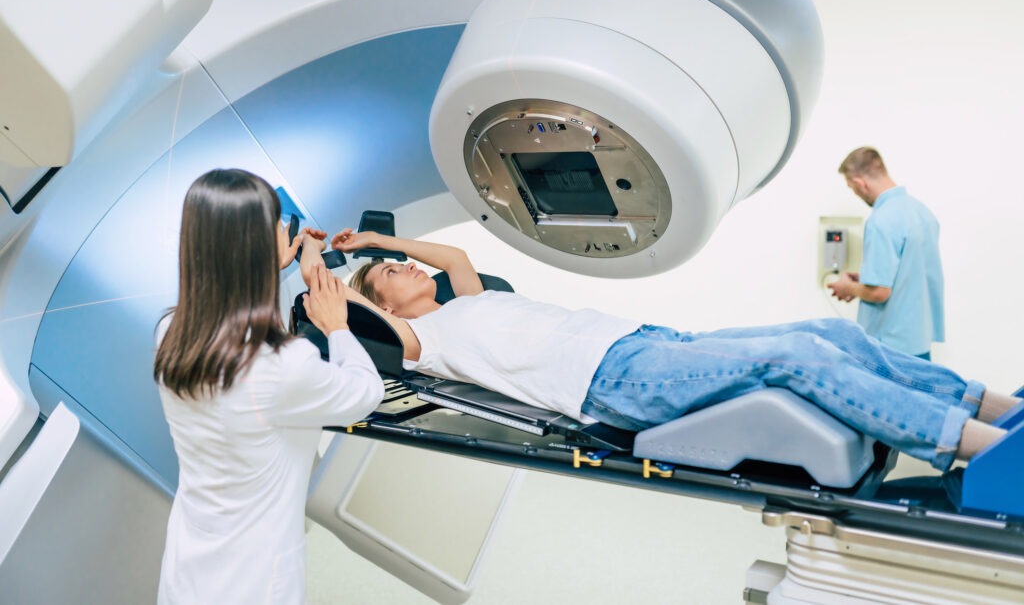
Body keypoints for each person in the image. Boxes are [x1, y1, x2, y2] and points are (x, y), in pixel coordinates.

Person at [297, 228, 1019, 475]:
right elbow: (342, 305)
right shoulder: (426, 342)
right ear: (384, 304)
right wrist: (318, 261)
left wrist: (382, 243)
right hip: (616, 382)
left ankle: (995, 406)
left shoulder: (469, 296)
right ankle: (978, 447)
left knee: (831, 332)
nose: (410, 270)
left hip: (645, 340)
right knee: (800, 356)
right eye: (395, 274)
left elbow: (452, 252)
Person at [153, 169, 384, 605]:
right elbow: (364, 395)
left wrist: (272, 270)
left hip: (191, 562)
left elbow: (251, 344)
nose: (288, 230)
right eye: (280, 223)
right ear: (254, 248)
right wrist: (337, 328)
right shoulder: (283, 367)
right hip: (254, 579)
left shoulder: (171, 330)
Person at [827, 146, 944, 360]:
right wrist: (864, 279)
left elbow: (879, 292)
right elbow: (909, 277)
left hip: (889, 348)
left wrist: (848, 286)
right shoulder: (923, 213)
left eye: (851, 187)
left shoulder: (882, 220)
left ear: (860, 183)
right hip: (919, 342)